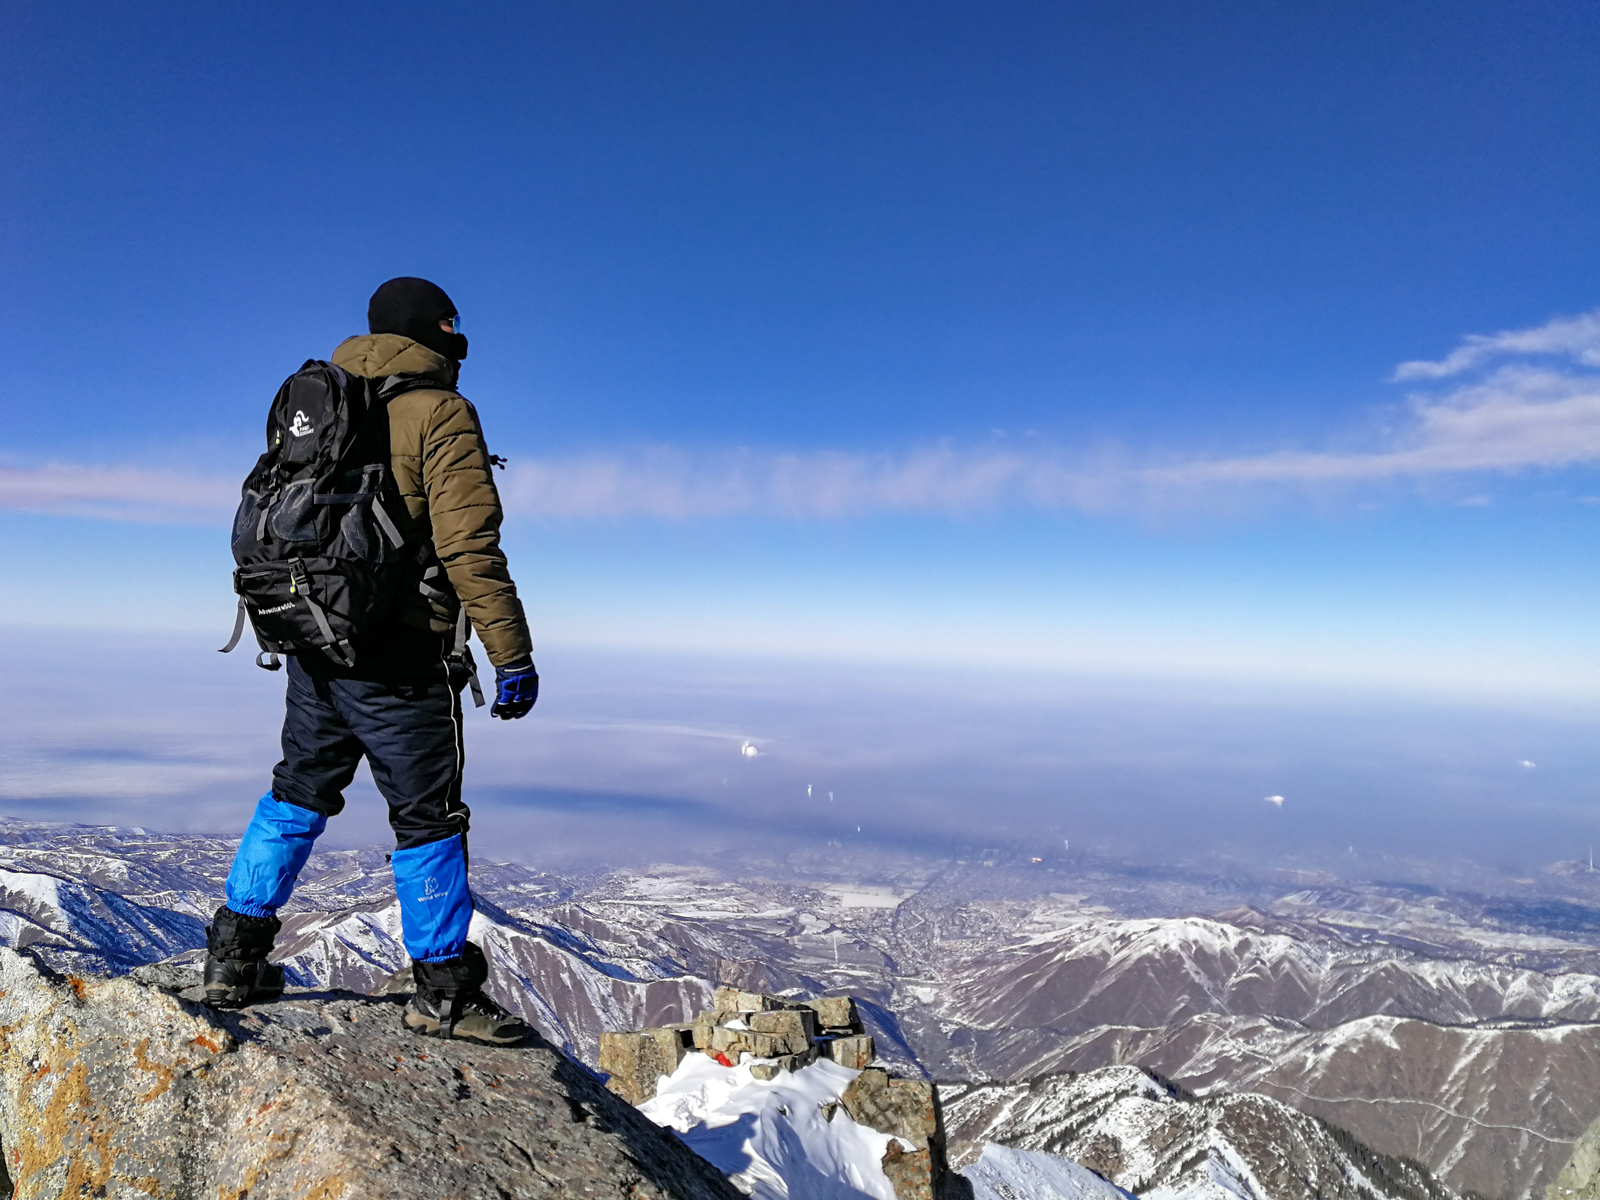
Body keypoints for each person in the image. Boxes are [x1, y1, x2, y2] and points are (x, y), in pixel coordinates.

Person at [202, 277, 540, 1044]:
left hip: (313, 644)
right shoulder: (441, 413)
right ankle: (444, 992)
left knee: (297, 791)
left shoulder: (323, 399)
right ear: (435, 332)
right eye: (454, 329)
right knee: (429, 819)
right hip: (401, 662)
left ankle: (234, 956)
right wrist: (510, 653)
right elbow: (468, 547)